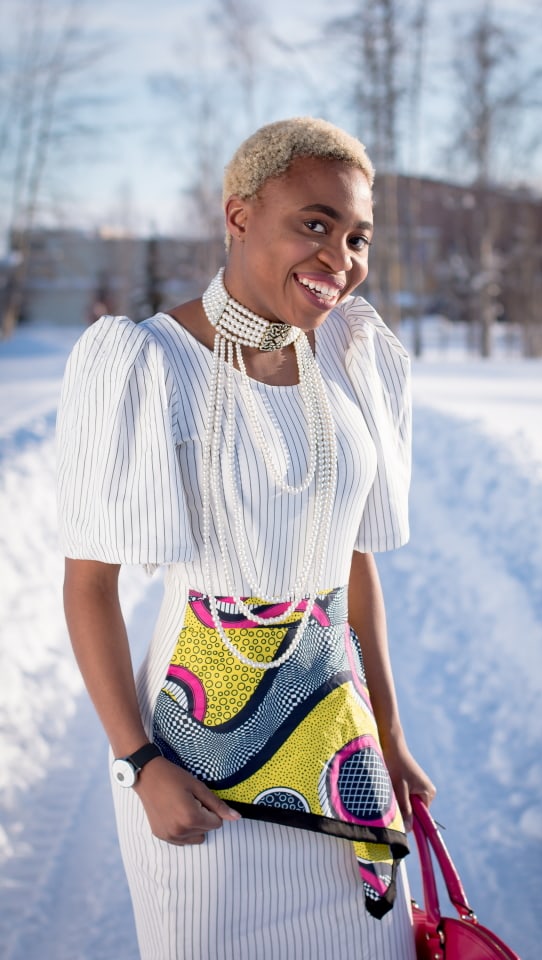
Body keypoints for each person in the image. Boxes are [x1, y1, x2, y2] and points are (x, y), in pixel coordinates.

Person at [57, 117, 436, 960]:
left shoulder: (344, 359)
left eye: (357, 235)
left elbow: (353, 564)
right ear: (239, 216)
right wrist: (139, 764)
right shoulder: (146, 364)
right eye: (315, 223)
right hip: (198, 766)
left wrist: (393, 739)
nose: (340, 255)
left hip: (339, 748)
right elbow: (89, 585)